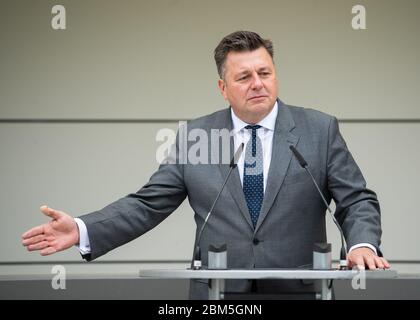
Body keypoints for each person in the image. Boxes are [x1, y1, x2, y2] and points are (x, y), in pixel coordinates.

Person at [22, 31, 390, 299]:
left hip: (298, 290)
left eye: (265, 73)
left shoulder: (318, 130)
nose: (257, 84)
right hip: (217, 295)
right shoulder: (196, 135)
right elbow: (148, 203)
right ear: (222, 87)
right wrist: (84, 229)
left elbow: (357, 200)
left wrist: (361, 245)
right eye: (244, 77)